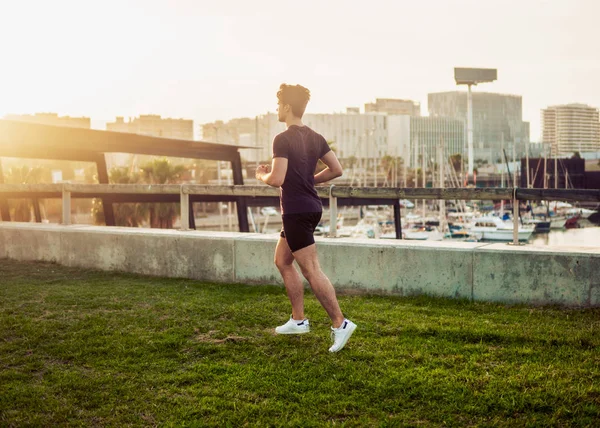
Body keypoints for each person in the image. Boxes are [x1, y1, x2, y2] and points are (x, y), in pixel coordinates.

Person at [255, 83, 356, 353]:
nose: (276, 109)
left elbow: (276, 179)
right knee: (282, 260)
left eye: (278, 104)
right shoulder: (315, 137)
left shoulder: (283, 138)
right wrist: (308, 180)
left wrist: (260, 176)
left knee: (311, 270)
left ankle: (340, 323)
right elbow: (336, 170)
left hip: (297, 211)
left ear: (287, 107)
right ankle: (298, 320)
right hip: (309, 207)